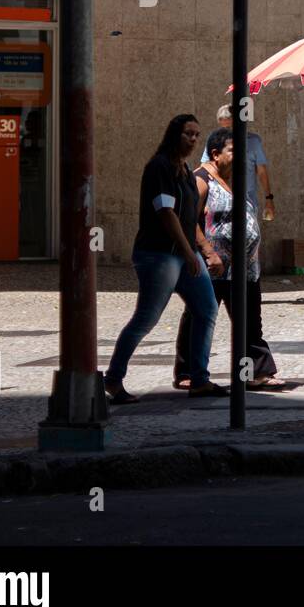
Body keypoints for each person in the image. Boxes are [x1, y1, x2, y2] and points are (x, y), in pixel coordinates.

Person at [106, 115, 227, 404]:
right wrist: (189, 252)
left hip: (184, 255)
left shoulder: (185, 170)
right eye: (188, 134)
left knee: (207, 308)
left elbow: (188, 217)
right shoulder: (159, 167)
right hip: (159, 254)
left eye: (197, 135)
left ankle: (199, 379)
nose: (193, 139)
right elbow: (165, 212)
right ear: (174, 134)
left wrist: (200, 250)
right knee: (146, 318)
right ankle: (113, 377)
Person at [173, 127, 284, 391]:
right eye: (233, 151)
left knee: (249, 319)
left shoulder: (232, 178)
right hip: (214, 267)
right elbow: (187, 219)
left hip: (244, 267)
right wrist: (209, 253)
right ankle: (187, 371)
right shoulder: (201, 179)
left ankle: (256, 372)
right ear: (215, 154)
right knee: (199, 316)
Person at [206, 104, 275, 221]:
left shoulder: (253, 142)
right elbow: (207, 168)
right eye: (223, 129)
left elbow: (262, 171)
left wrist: (269, 198)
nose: (226, 133)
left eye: (229, 128)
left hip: (247, 203)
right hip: (221, 203)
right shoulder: (215, 141)